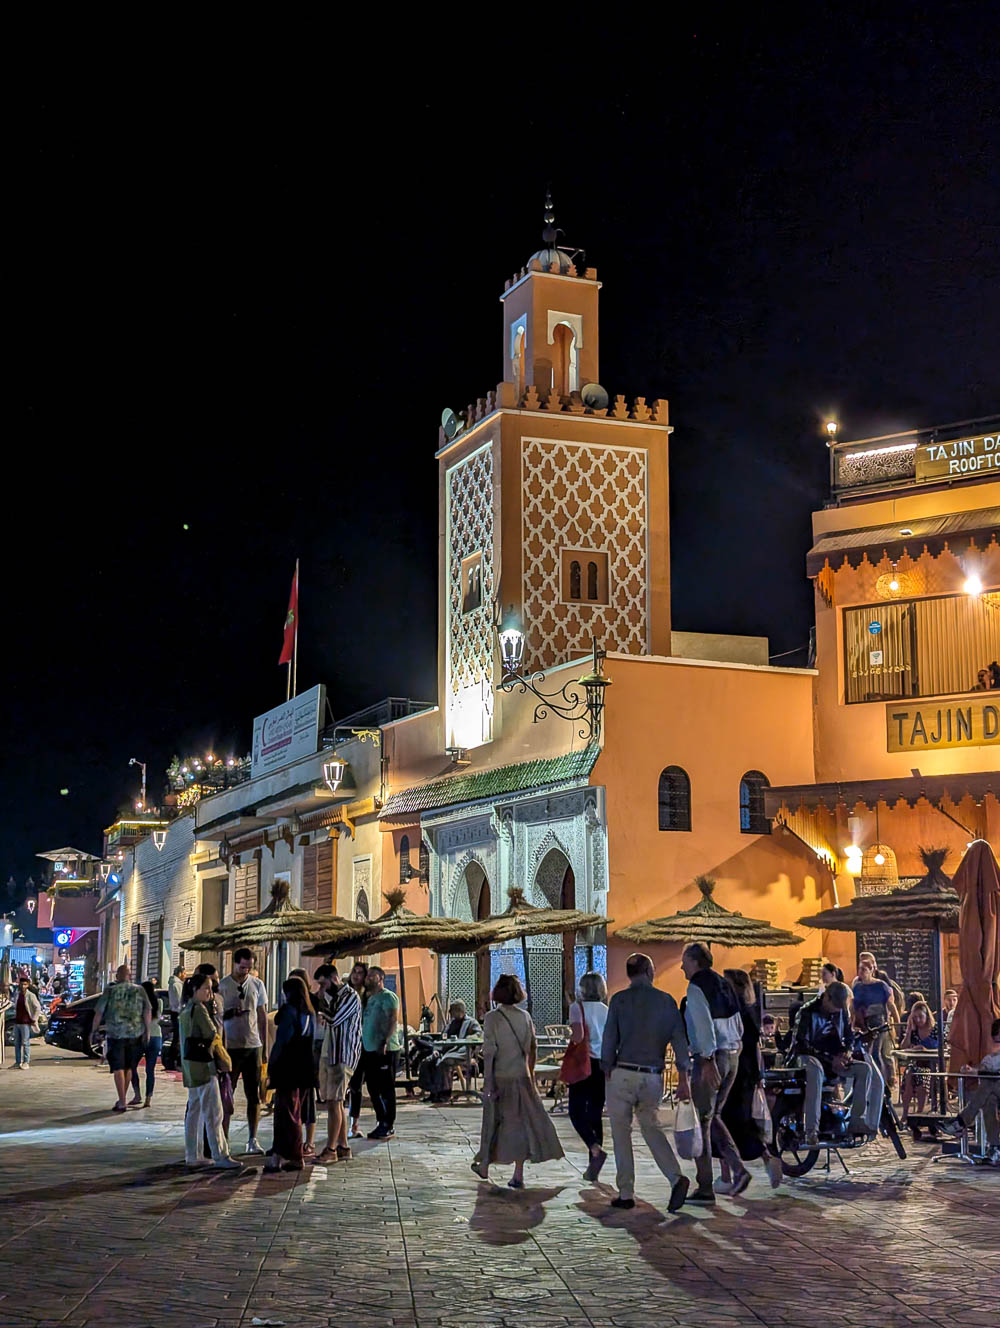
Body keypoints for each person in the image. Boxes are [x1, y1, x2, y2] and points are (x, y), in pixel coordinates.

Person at [600, 953, 690, 1211]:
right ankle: (675, 1177)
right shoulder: (666, 1001)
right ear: (650, 972)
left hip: (623, 1072)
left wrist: (607, 1065)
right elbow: (680, 1041)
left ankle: (626, 1192)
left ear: (629, 974)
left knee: (621, 1133)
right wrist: (684, 1075)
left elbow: (609, 1038)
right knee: (651, 1128)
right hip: (652, 1075)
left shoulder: (619, 1000)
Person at [472, 974, 563, 1188]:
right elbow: (533, 1048)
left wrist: (488, 1082)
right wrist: (529, 1075)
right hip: (522, 1078)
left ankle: (484, 1164)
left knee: (493, 1122)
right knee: (520, 1125)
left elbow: (490, 1052)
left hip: (501, 1078)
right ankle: (518, 1173)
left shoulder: (493, 1018)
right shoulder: (525, 1017)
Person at [681, 942, 747, 1202]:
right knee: (713, 1115)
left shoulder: (696, 987)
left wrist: (707, 1059)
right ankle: (737, 1169)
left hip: (712, 1057)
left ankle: (707, 1185)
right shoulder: (723, 983)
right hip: (732, 1054)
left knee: (702, 1120)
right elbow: (738, 1022)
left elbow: (703, 1026)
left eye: (684, 961)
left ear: (695, 962)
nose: (681, 966)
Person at [791, 979, 883, 1145]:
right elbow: (801, 1045)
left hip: (833, 1058)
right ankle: (812, 1130)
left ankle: (857, 1121)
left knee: (864, 1070)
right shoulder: (807, 1012)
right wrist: (829, 1057)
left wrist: (846, 1053)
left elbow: (848, 1036)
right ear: (826, 997)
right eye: (834, 1006)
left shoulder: (841, 1012)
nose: (836, 1011)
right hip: (809, 1057)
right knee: (815, 1068)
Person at [719, 969, 783, 1189]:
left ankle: (727, 1176)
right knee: (743, 1122)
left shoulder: (731, 1011)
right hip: (748, 1073)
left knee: (722, 1123)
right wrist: (759, 1076)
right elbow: (756, 1046)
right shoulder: (751, 1011)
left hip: (733, 1071)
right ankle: (765, 1158)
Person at [179, 973, 240, 1170]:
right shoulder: (199, 1010)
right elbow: (212, 1034)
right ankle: (220, 1154)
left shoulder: (186, 1009)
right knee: (214, 1112)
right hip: (205, 1066)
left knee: (194, 1112)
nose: (209, 992)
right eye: (206, 988)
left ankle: (193, 1154)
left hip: (191, 1067)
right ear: (195, 990)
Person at [265, 975, 316, 1172]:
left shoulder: (289, 1011)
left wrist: (272, 1064)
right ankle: (287, 1155)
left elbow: (282, 1041)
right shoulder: (309, 1012)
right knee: (295, 1113)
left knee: (285, 1114)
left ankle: (289, 1155)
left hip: (288, 1067)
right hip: (305, 1068)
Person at [219, 948, 268, 1155]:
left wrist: (264, 1045)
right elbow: (218, 1016)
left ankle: (252, 1138)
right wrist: (230, 1013)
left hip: (252, 1045)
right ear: (234, 964)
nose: (245, 971)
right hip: (230, 1046)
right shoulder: (223, 985)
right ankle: (224, 1139)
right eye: (242, 967)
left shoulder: (257, 984)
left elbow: (262, 1015)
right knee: (227, 1095)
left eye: (249, 967)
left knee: (254, 1095)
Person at [315, 964, 363, 1164]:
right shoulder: (334, 997)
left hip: (343, 1055)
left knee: (335, 1102)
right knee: (336, 1101)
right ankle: (343, 1146)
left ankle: (331, 1149)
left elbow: (334, 1019)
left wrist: (320, 1008)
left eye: (323, 983)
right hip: (331, 1054)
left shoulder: (350, 996)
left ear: (333, 978)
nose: (322, 988)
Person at [566, 972, 610, 1182]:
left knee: (575, 1111)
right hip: (602, 1064)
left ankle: (594, 1148)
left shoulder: (577, 1007)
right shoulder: (606, 1010)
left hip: (584, 1063)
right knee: (595, 1113)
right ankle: (593, 1167)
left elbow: (578, 1037)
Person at [92, 964, 152, 1112]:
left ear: (118, 976)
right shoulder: (140, 990)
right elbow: (148, 1010)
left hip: (116, 1034)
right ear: (129, 975)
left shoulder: (110, 991)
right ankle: (122, 1099)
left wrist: (93, 1030)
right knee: (129, 1067)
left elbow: (99, 1011)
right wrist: (147, 1031)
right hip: (135, 1033)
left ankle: (122, 1102)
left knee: (118, 1067)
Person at [941, 1017, 1000, 1161]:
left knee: (989, 1085)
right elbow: (989, 1073)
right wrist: (973, 1069)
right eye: (998, 1041)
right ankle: (995, 1148)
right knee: (989, 1098)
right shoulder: (991, 1058)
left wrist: (975, 1072)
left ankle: (960, 1122)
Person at [360, 966, 401, 1140]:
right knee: (372, 1087)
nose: (368, 978)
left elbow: (392, 1019)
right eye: (367, 975)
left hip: (385, 1049)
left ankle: (388, 1124)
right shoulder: (369, 998)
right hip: (369, 1048)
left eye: (372, 975)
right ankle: (381, 1121)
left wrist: (385, 1040)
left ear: (381, 977)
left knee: (386, 1088)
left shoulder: (388, 997)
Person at [853, 956, 898, 1091]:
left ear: (871, 970)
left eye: (864, 969)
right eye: (859, 969)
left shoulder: (880, 985)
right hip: (864, 1022)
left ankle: (882, 1084)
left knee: (876, 1053)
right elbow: (854, 1007)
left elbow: (890, 1004)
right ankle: (870, 1082)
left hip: (879, 1022)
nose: (861, 972)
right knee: (866, 1053)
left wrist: (897, 1021)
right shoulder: (858, 987)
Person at [899, 1000, 938, 1122]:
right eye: (915, 1017)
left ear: (927, 1015)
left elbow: (942, 1047)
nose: (918, 1020)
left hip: (932, 1065)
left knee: (920, 1077)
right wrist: (909, 1030)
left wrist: (925, 1049)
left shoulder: (935, 1029)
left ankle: (919, 1112)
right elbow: (903, 1047)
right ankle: (906, 1113)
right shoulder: (914, 1031)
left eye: (920, 1017)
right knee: (910, 1075)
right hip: (916, 1063)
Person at [130, 980, 165, 1107]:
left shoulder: (139, 1003)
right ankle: (148, 1099)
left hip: (141, 1036)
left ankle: (137, 1094)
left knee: (132, 1066)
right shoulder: (159, 1003)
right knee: (150, 1069)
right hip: (156, 1037)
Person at [345, 962, 369, 1138]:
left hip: (362, 1044)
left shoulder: (367, 996)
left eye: (360, 973)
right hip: (345, 1043)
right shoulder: (344, 994)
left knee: (356, 1086)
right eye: (355, 972)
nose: (356, 975)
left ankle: (354, 1124)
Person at [12, 976, 42, 1069]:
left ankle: (26, 1062)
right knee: (17, 1043)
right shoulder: (17, 994)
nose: (23, 986)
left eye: (25, 984)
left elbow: (37, 1007)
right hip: (17, 1022)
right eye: (21, 984)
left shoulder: (30, 995)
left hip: (25, 1022)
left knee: (25, 1043)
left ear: (28, 985)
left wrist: (34, 1018)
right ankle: (17, 1062)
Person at [166, 964, 186, 1069]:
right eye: (184, 973)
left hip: (174, 1011)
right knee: (178, 1038)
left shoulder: (172, 983)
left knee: (176, 1038)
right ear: (180, 973)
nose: (185, 975)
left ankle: (172, 1060)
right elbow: (180, 1000)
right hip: (178, 1012)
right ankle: (174, 1061)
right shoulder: (177, 985)